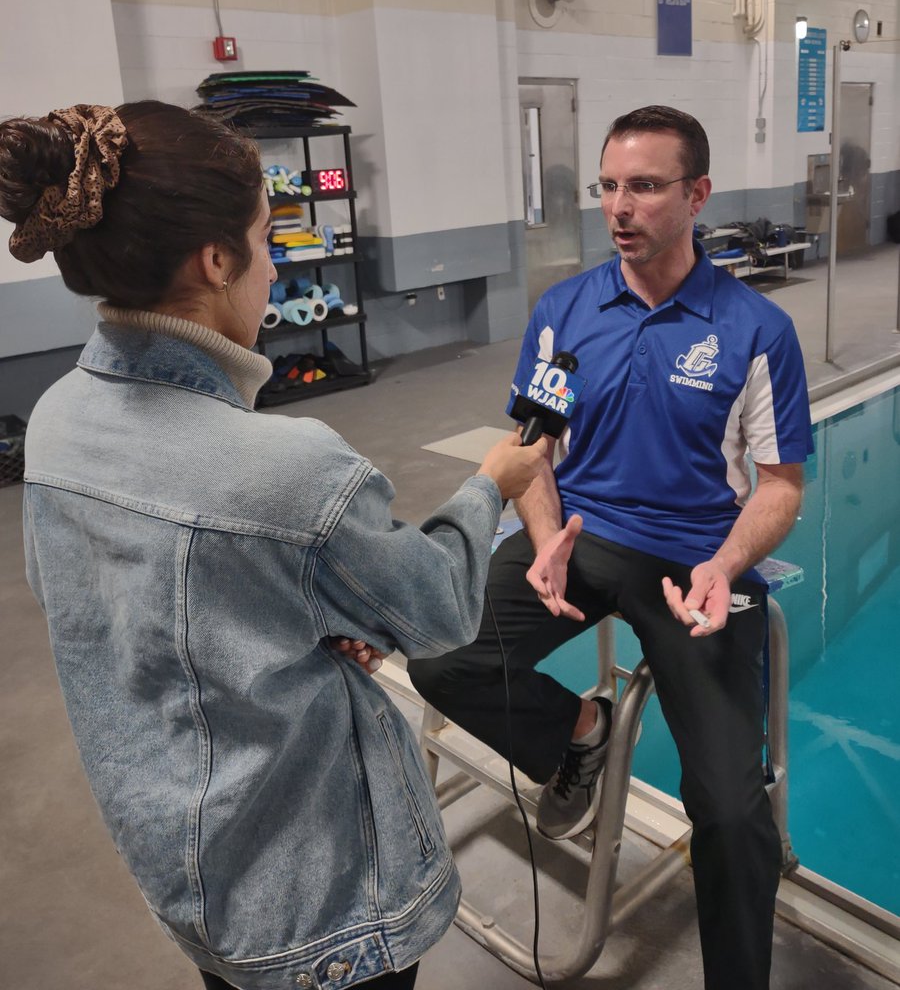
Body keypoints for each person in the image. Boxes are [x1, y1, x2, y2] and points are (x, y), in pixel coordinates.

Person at [0, 101, 549, 990]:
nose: (275, 262)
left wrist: (290, 609)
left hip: (186, 872)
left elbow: (122, 617)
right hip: (318, 903)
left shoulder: (57, 422)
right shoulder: (289, 472)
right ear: (217, 260)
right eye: (267, 237)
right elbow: (441, 608)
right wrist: (492, 486)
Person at [408, 105, 814, 990]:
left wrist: (726, 565)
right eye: (608, 186)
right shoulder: (565, 313)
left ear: (698, 194)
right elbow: (535, 445)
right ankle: (579, 738)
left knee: (727, 805)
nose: (619, 206)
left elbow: (781, 484)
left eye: (644, 186)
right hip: (581, 537)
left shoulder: (753, 330)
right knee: (441, 655)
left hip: (696, 566)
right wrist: (545, 539)